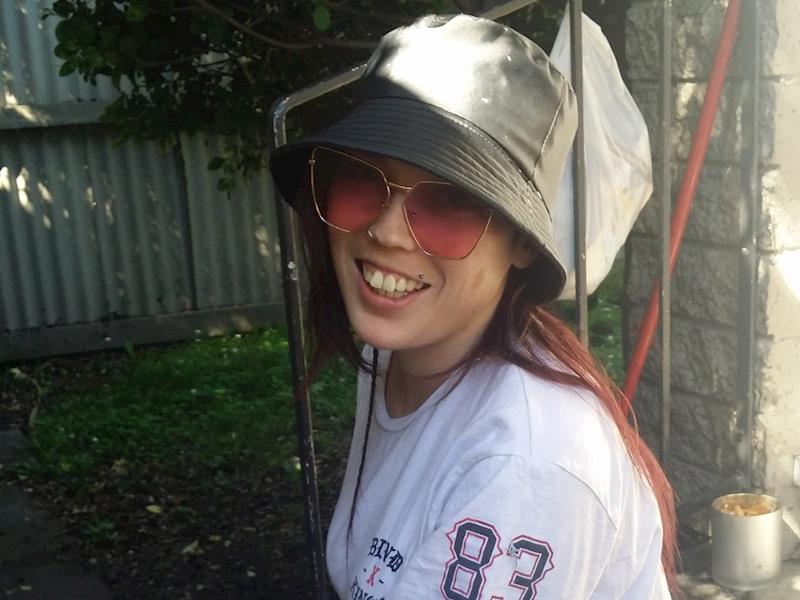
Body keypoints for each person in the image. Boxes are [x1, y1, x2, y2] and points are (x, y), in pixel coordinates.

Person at [270, 13, 679, 600]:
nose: (387, 231)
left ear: (521, 244)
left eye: (450, 202)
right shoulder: (396, 358)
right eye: (363, 178)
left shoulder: (528, 460)